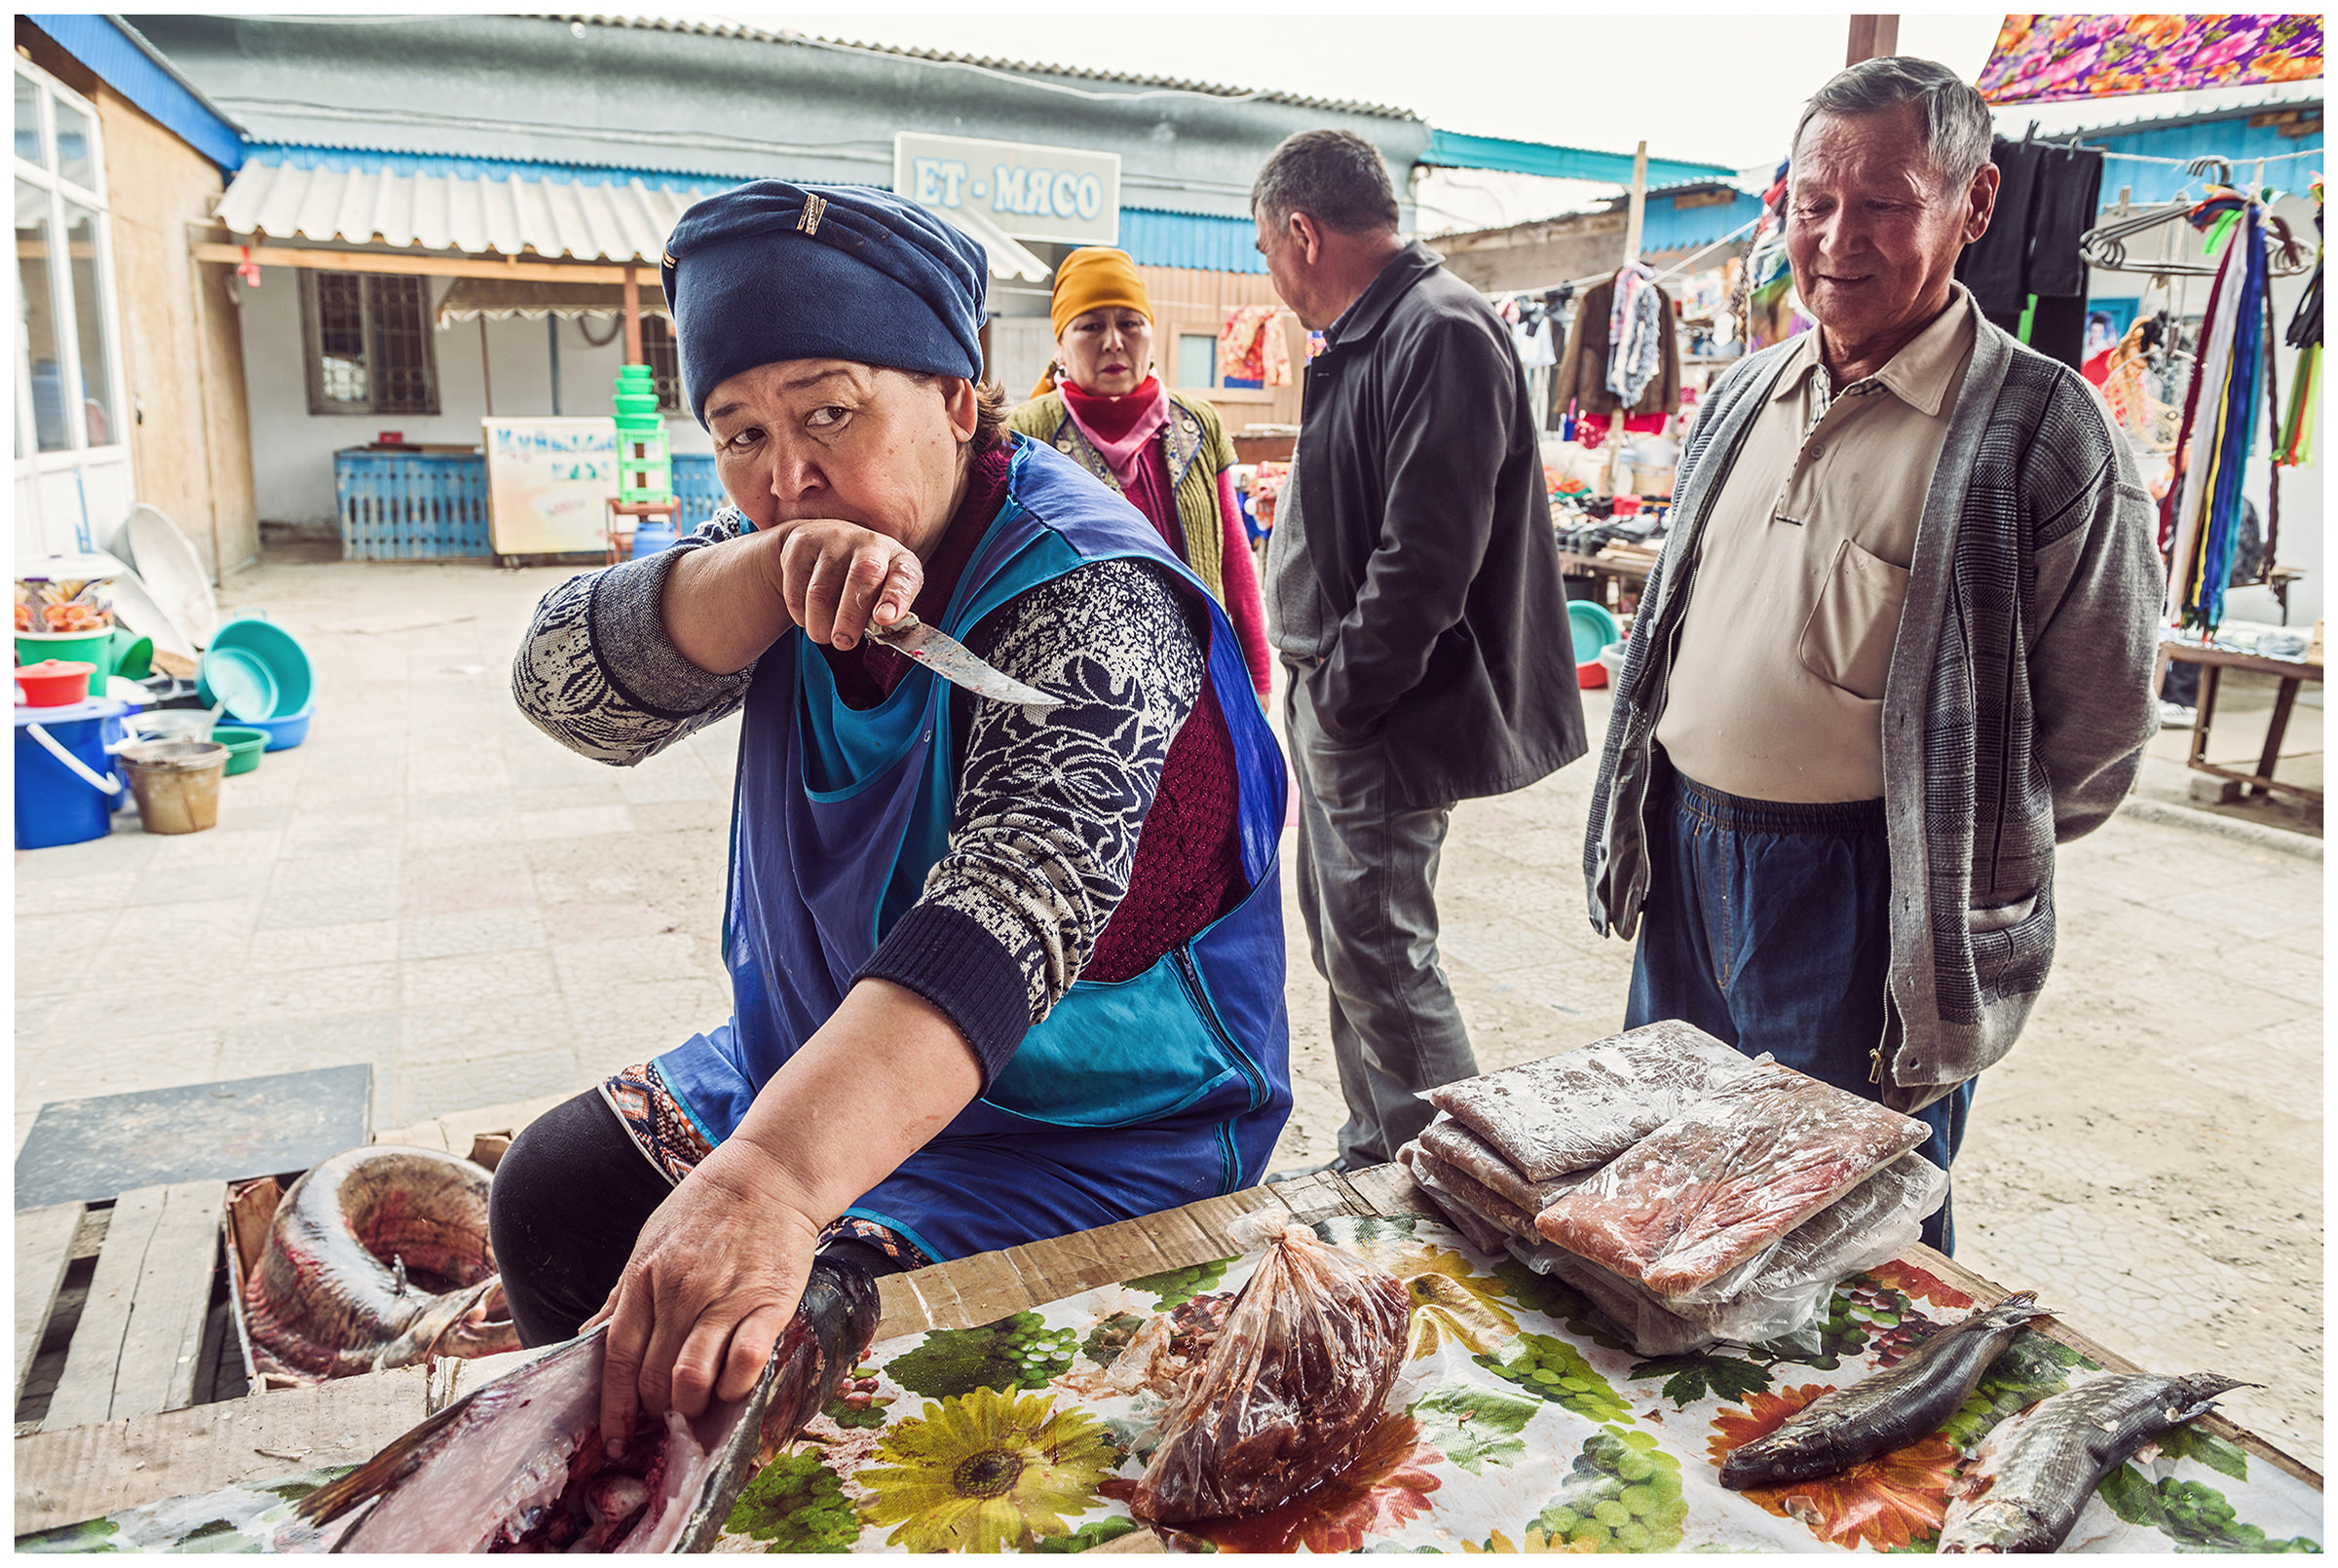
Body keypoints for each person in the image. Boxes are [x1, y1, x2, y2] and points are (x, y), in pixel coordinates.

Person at [492, 181, 1292, 1450]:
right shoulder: (794, 559)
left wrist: (769, 1177)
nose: (787, 474)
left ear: (959, 403)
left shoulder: (1093, 605)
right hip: (825, 1044)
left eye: (829, 413)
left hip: (1087, 1123)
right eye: (740, 432)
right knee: (558, 1190)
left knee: (761, 1355)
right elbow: (567, 691)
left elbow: (1010, 915)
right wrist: (755, 571)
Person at [1582, 57, 2163, 1253]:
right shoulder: (1744, 394)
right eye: (1813, 200)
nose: (1838, 237)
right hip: (1689, 858)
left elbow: (2099, 733)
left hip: (1862, 895)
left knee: (1840, 1242)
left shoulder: (2043, 431)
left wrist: (1955, 844)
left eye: (1888, 203)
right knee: (1673, 1203)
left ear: (1975, 205)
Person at [1250, 129, 1588, 1175]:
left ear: (1302, 232)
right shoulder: (1374, 329)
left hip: (1379, 717)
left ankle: (1455, 1182)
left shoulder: (1438, 330)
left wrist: (1348, 695)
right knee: (1351, 946)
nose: (1273, 274)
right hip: (1343, 707)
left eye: (1268, 251)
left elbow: (1427, 557)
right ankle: (1378, 1151)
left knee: (1387, 959)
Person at [1012, 247, 1272, 699]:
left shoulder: (1198, 424)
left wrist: (1258, 675)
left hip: (1204, 676)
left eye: (1129, 323)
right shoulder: (1027, 434)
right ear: (1061, 344)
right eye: (1091, 326)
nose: (1113, 340)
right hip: (1083, 690)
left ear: (1150, 334)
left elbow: (1234, 559)